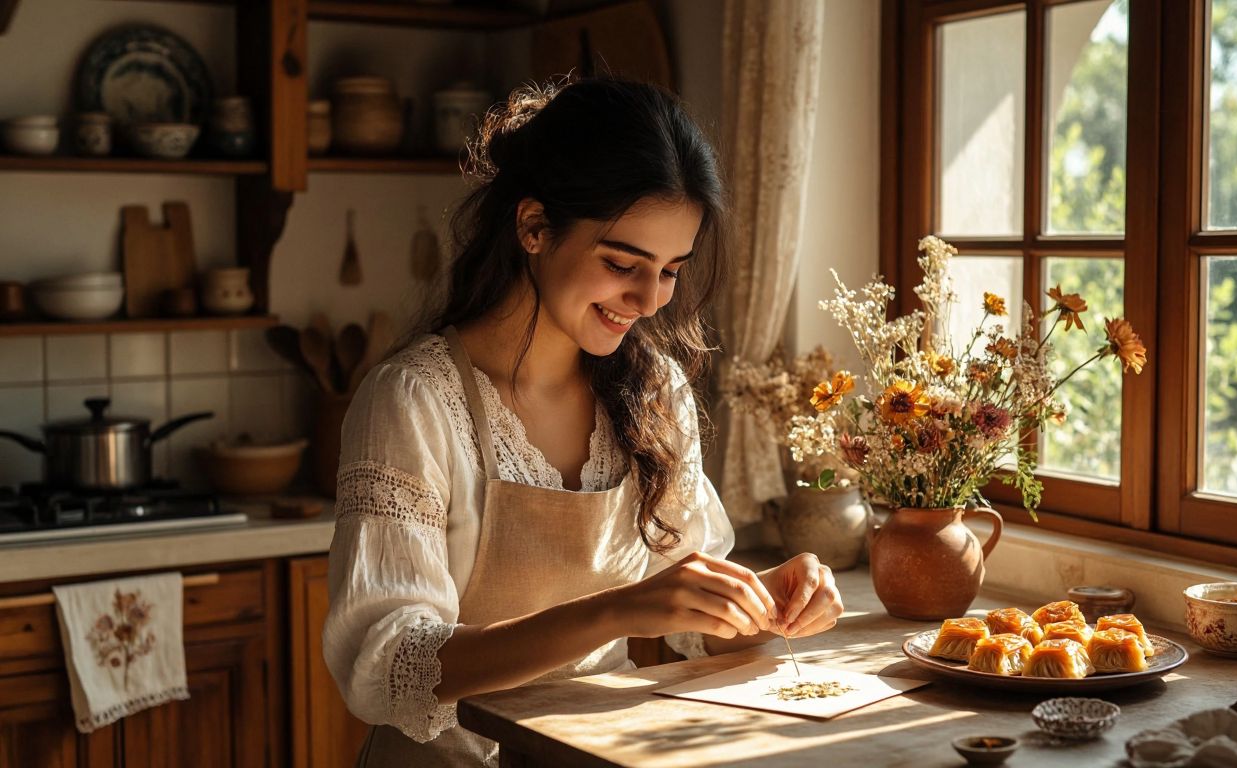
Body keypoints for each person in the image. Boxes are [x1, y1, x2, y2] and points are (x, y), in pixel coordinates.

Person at [322, 78, 845, 767]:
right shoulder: (414, 402)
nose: (649, 298)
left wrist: (766, 599)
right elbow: (389, 666)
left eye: (670, 270)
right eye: (623, 263)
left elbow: (693, 619)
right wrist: (617, 610)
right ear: (534, 226)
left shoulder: (652, 390)